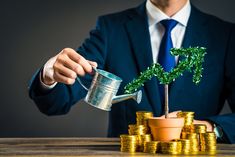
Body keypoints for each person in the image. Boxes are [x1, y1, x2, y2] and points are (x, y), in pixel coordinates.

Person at [29, 0, 235, 143]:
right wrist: (49, 76)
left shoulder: (224, 34)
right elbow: (57, 102)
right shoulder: (110, 29)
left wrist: (207, 127)